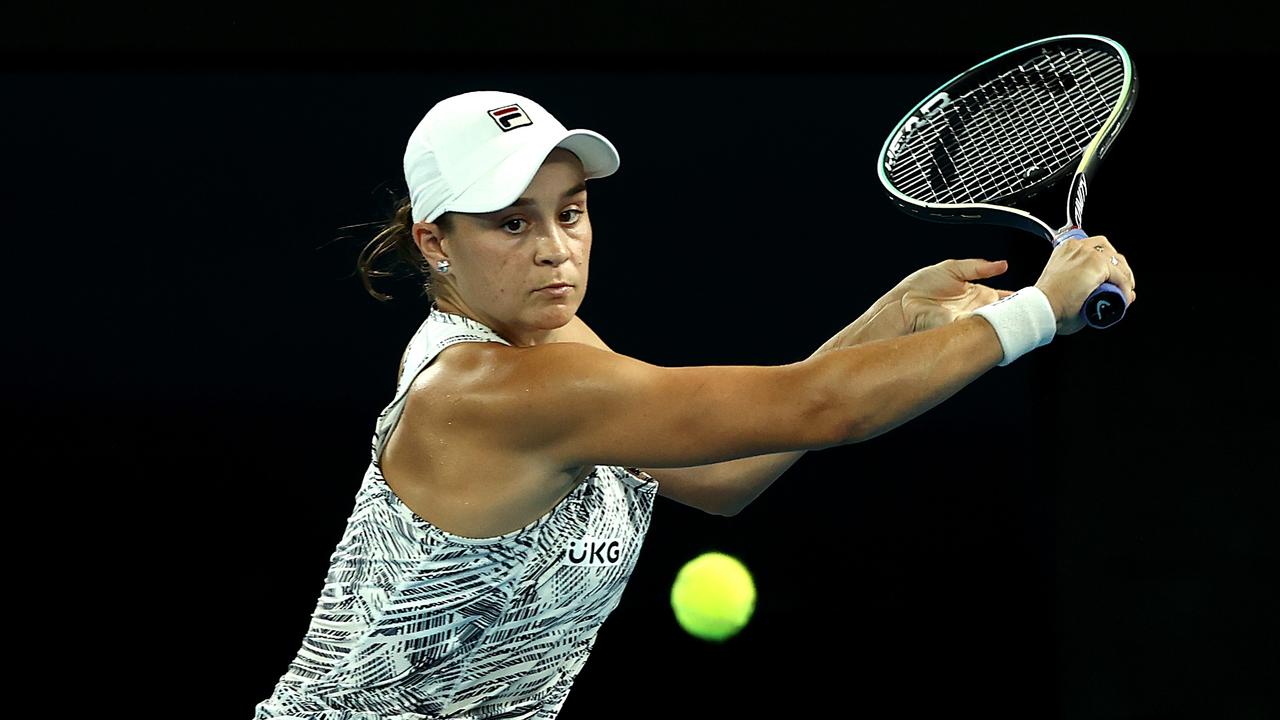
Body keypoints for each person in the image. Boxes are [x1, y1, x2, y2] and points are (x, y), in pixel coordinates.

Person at [252, 89, 1136, 719]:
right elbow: (820, 409)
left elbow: (725, 476)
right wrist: (1038, 312)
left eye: (573, 212)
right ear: (434, 243)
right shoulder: (491, 390)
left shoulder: (555, 349)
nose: (556, 249)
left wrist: (889, 320)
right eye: (512, 223)